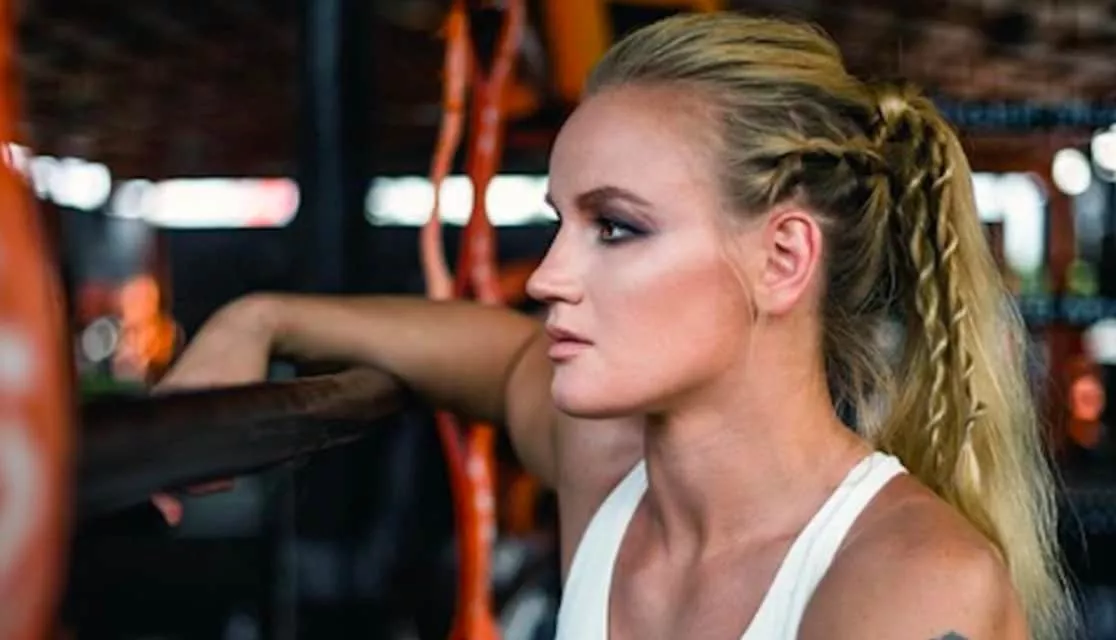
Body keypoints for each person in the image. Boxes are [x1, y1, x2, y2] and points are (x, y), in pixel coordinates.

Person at [157, 12, 1075, 640]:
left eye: (617, 228)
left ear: (783, 258)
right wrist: (259, 318)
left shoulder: (908, 586)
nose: (548, 277)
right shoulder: (609, 476)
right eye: (561, 222)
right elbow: (498, 357)